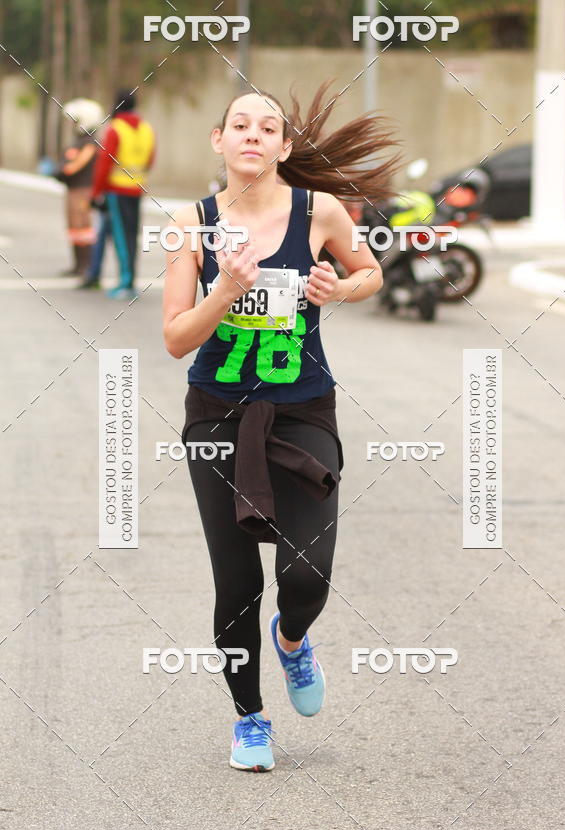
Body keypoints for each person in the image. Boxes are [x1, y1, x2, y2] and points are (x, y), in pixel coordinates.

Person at [162, 82, 402, 772]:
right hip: (217, 414)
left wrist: (340, 288)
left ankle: (293, 642)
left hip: (302, 408)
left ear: (284, 147)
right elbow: (177, 338)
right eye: (240, 124)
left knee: (307, 574)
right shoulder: (191, 224)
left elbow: (370, 274)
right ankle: (249, 720)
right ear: (219, 140)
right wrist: (226, 291)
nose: (253, 135)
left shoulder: (319, 211)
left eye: (268, 127)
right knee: (237, 583)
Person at [90, 90, 156, 300]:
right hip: (137, 188)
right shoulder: (146, 129)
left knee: (121, 237)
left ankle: (126, 282)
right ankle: (94, 273)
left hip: (116, 191)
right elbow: (150, 160)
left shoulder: (115, 129)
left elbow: (104, 163)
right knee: (129, 234)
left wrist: (96, 192)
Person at [54, 99, 103, 277]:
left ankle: (86, 266)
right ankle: (77, 265)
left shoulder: (89, 143)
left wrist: (61, 170)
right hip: (73, 189)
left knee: (83, 227)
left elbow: (75, 165)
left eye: (74, 120)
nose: (72, 123)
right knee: (74, 228)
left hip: (83, 190)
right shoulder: (79, 141)